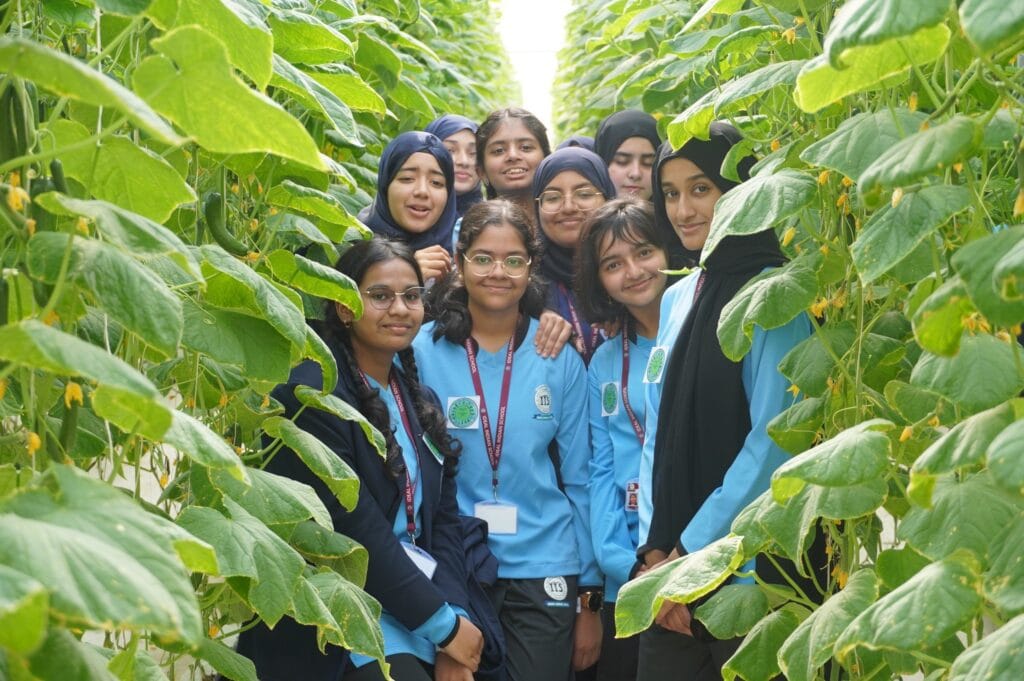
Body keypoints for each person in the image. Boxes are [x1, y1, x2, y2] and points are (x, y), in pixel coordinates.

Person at [236, 239, 484, 681]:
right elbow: (356, 529)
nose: (400, 309)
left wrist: (455, 619)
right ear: (344, 307)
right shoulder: (311, 394)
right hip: (339, 617)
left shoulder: (419, 398)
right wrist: (445, 629)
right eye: (380, 296)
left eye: (411, 296)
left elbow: (444, 521)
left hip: (419, 607)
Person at [634, 122, 812, 680]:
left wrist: (692, 554)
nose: (683, 210)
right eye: (670, 193)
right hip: (669, 569)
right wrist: (654, 549)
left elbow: (774, 441)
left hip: (751, 571)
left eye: (701, 188)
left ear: (740, 190)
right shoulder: (678, 296)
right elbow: (657, 435)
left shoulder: (776, 294)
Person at [414, 200, 603, 681]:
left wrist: (589, 595)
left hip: (544, 560)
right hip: (456, 562)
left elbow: (580, 479)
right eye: (483, 258)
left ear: (531, 267)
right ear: (459, 264)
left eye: (513, 260)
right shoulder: (420, 350)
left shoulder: (556, 355)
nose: (498, 272)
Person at [574, 198, 670, 681]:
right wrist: (624, 567)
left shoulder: (698, 337)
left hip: (689, 559)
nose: (633, 272)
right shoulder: (605, 360)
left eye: (645, 252)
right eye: (613, 264)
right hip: (627, 578)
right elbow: (601, 470)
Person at [532, 147, 617, 364]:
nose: (568, 207)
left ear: (607, 198)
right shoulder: (523, 279)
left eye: (584, 194)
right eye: (553, 197)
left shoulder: (633, 268)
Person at [361, 131, 458, 284]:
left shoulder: (463, 259)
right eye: (407, 178)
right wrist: (407, 276)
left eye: (436, 182)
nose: (422, 191)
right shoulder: (351, 246)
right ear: (386, 185)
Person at [475, 108, 551, 224]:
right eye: (499, 150)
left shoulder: (569, 220)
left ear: (547, 160)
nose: (513, 156)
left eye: (526, 147)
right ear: (481, 172)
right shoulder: (469, 229)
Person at [593, 110, 661, 201]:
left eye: (648, 163)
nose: (635, 173)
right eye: (622, 161)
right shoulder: (578, 208)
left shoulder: (676, 208)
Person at [426, 114, 484, 219]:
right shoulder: (405, 213)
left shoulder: (491, 222)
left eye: (473, 153)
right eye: (450, 150)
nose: (463, 161)